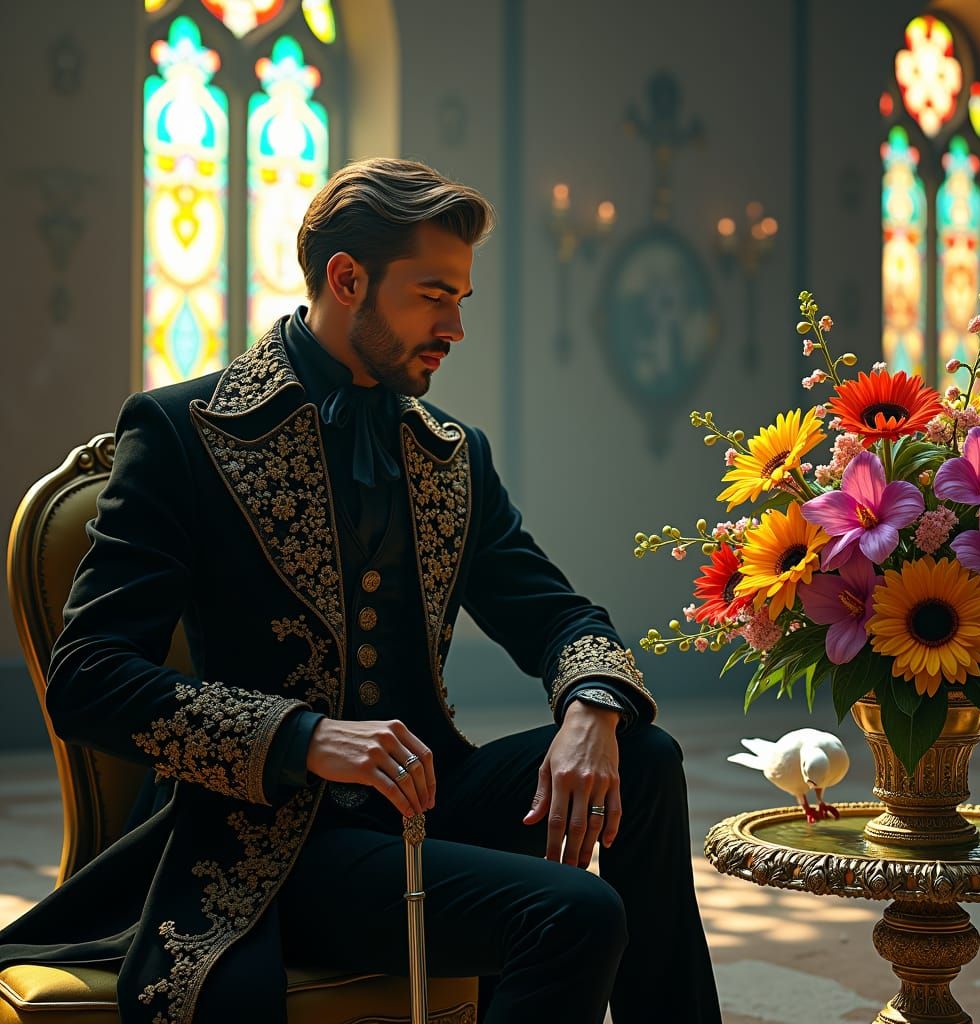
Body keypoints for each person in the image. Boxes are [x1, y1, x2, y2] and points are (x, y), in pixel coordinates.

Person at [0, 158, 720, 1024]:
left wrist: (593, 709)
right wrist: (303, 736)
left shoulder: (452, 452)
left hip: (426, 805)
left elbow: (556, 613)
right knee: (574, 912)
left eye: (461, 298)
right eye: (433, 295)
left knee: (646, 759)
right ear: (347, 279)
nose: (455, 326)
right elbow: (89, 676)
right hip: (263, 847)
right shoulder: (182, 433)